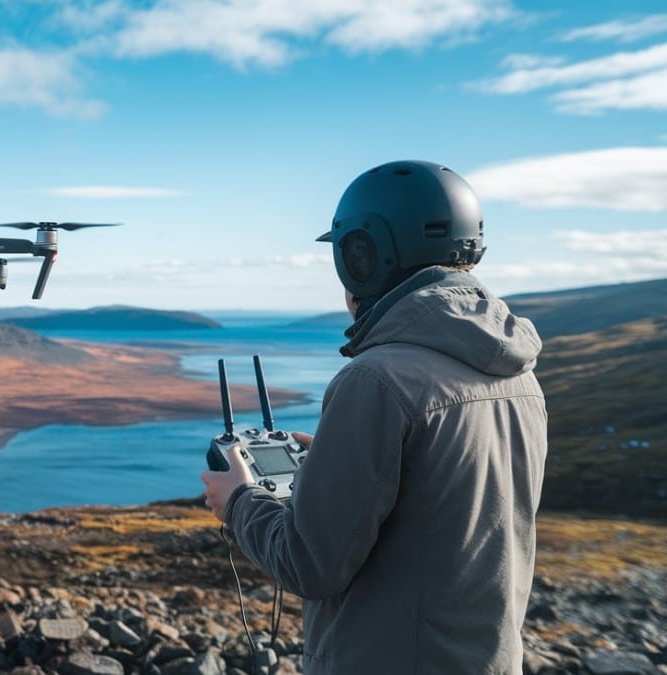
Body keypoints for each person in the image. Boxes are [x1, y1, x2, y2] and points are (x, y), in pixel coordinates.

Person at [201, 160, 547, 674]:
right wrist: (344, 466)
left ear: (362, 255)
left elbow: (308, 564)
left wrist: (238, 502)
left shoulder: (377, 379)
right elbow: (453, 509)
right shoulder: (518, 375)